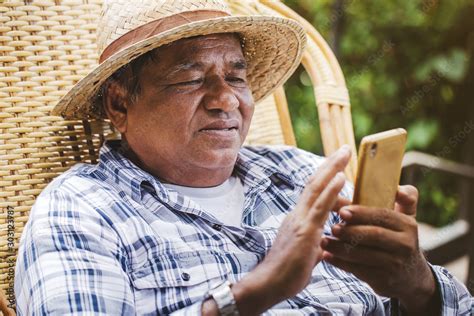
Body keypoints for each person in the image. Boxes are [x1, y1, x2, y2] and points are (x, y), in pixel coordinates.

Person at [15, 0, 473, 315]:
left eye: (236, 78)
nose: (226, 100)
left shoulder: (303, 174)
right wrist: (255, 291)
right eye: (190, 79)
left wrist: (418, 283)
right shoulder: (80, 212)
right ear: (119, 105)